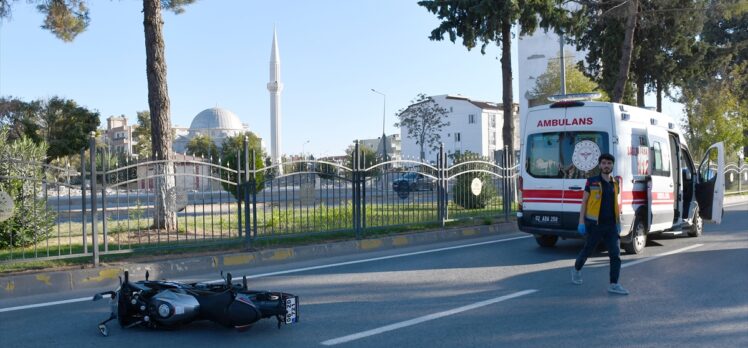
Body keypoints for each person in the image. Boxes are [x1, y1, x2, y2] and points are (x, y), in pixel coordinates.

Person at [571, 153, 629, 295]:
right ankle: (576, 269)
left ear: (612, 166)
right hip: (594, 225)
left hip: (611, 226)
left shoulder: (615, 183)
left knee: (615, 254)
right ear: (599, 165)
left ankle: (614, 284)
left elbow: (616, 202)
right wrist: (581, 222)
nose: (606, 165)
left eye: (609, 163)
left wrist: (618, 221)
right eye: (603, 163)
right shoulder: (591, 182)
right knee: (588, 250)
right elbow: (584, 202)